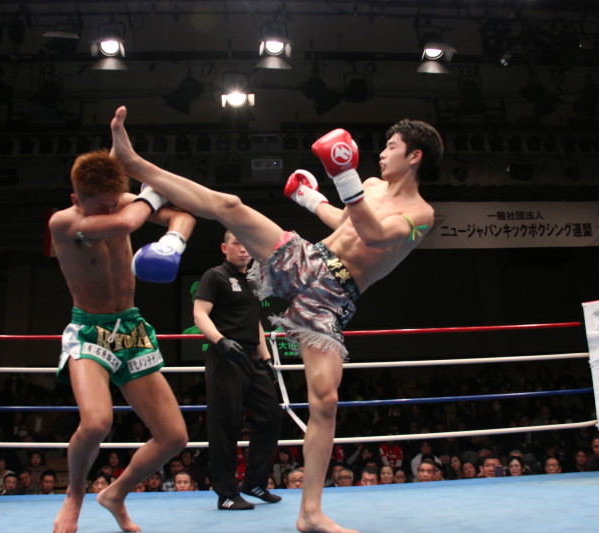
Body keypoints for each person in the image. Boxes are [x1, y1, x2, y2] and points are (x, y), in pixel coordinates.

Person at [110, 105, 442, 533]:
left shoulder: (422, 215)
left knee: (325, 402)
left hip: (332, 298)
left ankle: (310, 514)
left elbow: (375, 234)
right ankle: (133, 163)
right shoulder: (372, 186)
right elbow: (346, 221)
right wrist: (312, 198)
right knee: (230, 205)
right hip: (307, 259)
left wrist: (343, 178)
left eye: (391, 147)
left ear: (415, 156)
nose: (381, 153)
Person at [49, 148, 195, 533]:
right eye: (101, 206)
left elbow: (184, 215)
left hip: (130, 327)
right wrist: (152, 193)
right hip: (89, 331)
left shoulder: (124, 204)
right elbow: (126, 223)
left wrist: (172, 243)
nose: (109, 210)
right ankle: (74, 495)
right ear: (76, 199)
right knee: (97, 422)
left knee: (174, 436)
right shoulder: (64, 222)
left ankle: (115, 494)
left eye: (114, 203)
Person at [193, 230, 283, 510]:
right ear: (225, 248)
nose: (243, 249)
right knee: (225, 425)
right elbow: (199, 314)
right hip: (225, 358)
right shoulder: (215, 276)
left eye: (247, 244)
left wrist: (266, 358)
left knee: (270, 416)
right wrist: (220, 340)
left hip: (252, 358)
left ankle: (254, 482)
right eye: (237, 244)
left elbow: (254, 320)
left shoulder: (253, 279)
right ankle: (227, 494)